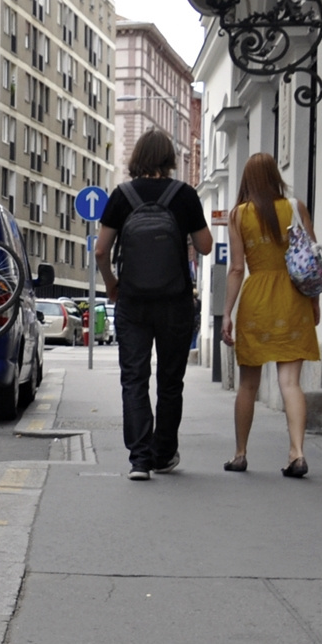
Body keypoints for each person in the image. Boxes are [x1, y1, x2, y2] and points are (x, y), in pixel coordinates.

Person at [95, 130, 213, 481]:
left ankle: (139, 460)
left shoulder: (122, 195)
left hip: (132, 300)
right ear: (169, 159)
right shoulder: (185, 195)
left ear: (138, 158)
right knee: (170, 381)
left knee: (134, 378)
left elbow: (101, 251)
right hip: (175, 300)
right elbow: (205, 246)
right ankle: (163, 454)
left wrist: (111, 283)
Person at [220, 152, 321, 478]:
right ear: (275, 175)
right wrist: (315, 302)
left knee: (248, 385)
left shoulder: (238, 215)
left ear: (247, 180)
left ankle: (240, 454)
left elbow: (236, 268)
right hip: (294, 298)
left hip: (257, 301)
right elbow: (311, 259)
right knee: (290, 382)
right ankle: (297, 453)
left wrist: (227, 314)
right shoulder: (295, 207)